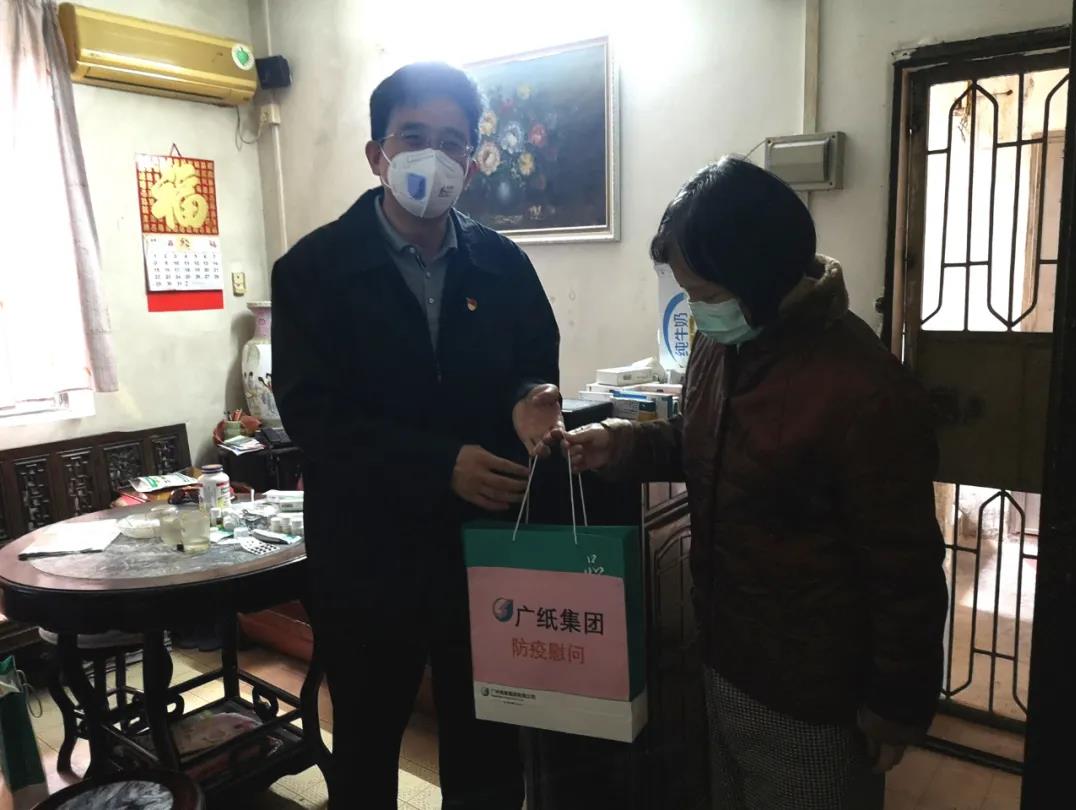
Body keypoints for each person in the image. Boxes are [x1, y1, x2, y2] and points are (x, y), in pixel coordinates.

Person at [558, 157, 947, 810]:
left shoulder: (866, 391)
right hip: (726, 656)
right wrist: (618, 444)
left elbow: (903, 567)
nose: (697, 310)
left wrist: (896, 704)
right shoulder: (724, 343)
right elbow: (702, 442)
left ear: (760, 275)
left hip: (816, 696)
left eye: (706, 295)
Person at [271, 62, 562, 809]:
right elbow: (313, 415)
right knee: (367, 748)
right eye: (414, 137)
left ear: (473, 161)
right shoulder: (313, 271)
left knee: (487, 746)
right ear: (378, 154)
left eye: (453, 141)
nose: (435, 155)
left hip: (483, 549)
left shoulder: (502, 265)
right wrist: (440, 465)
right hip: (366, 555)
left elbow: (531, 367)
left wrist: (530, 400)